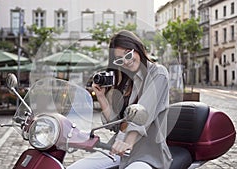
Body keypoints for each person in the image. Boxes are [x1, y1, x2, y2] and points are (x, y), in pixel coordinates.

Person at [67, 30, 172, 169]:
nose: (126, 61)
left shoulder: (158, 73)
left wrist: (127, 142)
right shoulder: (128, 81)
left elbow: (142, 114)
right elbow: (116, 124)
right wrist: (101, 96)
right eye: (119, 59)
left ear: (138, 48)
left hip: (148, 152)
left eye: (128, 53)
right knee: (76, 167)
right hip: (117, 148)